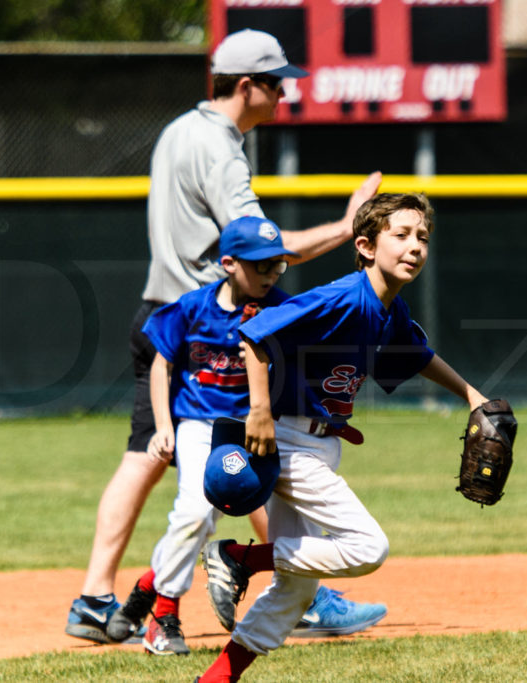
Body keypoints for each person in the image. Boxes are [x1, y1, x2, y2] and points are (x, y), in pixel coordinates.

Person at [64, 28, 384, 645]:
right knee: (254, 447)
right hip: (210, 326)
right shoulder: (219, 147)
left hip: (162, 311)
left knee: (150, 458)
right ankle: (304, 592)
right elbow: (262, 244)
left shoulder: (179, 131)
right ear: (246, 86)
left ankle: (96, 598)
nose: (285, 95)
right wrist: (347, 227)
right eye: (278, 84)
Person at [192, 193, 490, 682]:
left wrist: (471, 394)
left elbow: (417, 354)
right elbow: (254, 335)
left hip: (318, 443)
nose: (415, 246)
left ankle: (218, 676)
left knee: (297, 590)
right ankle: (238, 556)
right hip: (287, 440)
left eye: (422, 237)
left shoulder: (387, 310)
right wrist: (261, 412)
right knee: (367, 547)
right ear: (366, 246)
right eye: (401, 235)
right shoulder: (344, 297)